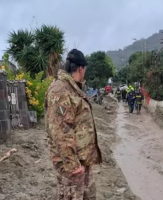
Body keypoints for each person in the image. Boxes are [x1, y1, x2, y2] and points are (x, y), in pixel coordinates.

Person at [45, 48, 102, 200]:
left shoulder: (73, 88)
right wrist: (72, 164)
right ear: (81, 68)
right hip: (71, 165)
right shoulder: (60, 90)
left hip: (82, 160)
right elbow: (59, 130)